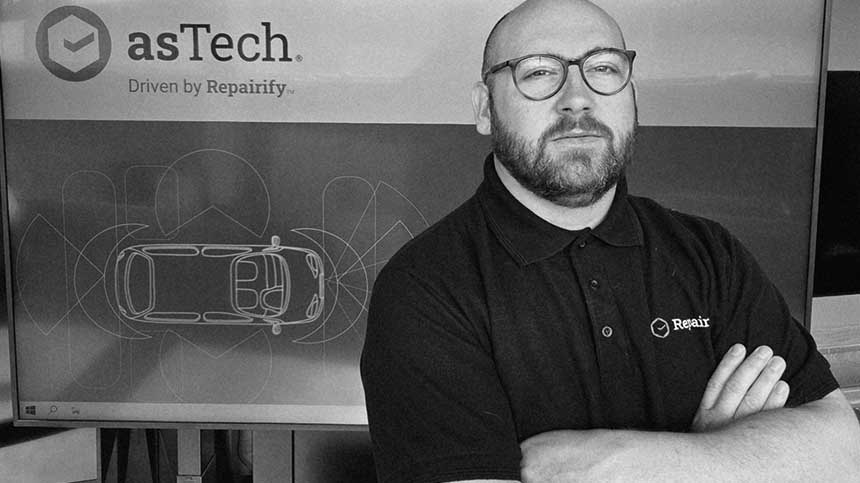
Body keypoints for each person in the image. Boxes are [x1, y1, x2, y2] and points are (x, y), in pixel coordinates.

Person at [360, 0, 860, 481]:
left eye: (603, 68)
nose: (577, 98)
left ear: (631, 93)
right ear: (484, 107)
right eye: (539, 72)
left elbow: (843, 453)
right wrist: (734, 459)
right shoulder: (425, 290)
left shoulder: (710, 255)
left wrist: (627, 465)